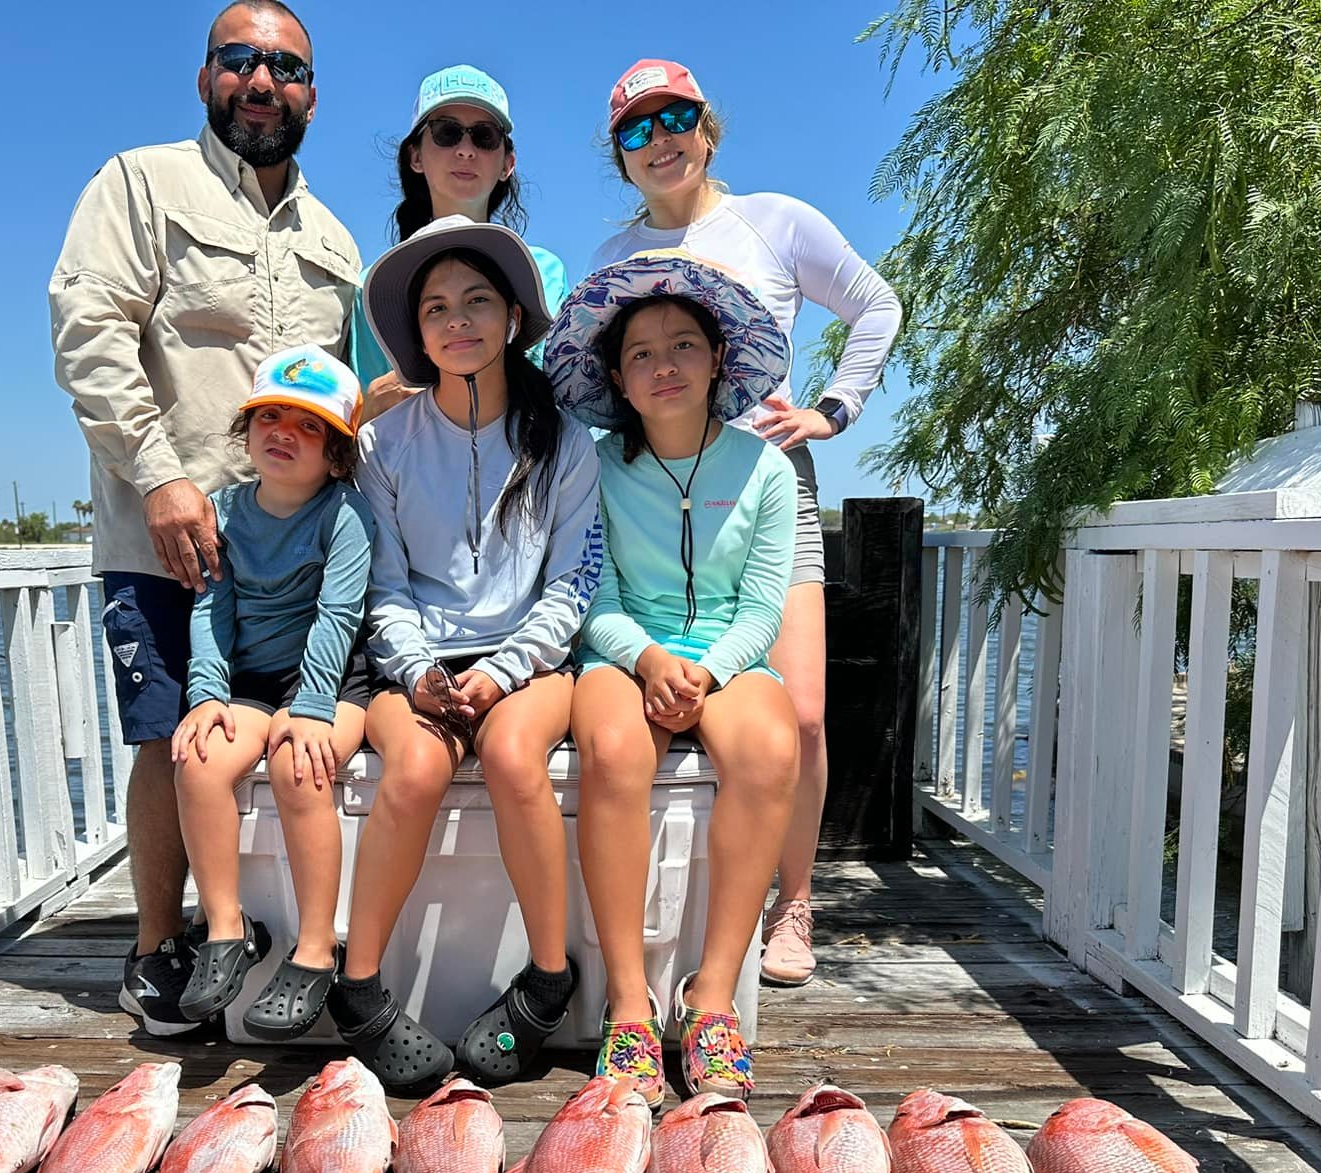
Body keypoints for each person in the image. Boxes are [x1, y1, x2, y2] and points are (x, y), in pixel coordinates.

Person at [48, 0, 360, 1031]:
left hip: (292, 552)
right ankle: (156, 945)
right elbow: (89, 334)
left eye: (286, 67)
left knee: (289, 733)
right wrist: (160, 477)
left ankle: (271, 927)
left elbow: (347, 399)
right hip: (165, 535)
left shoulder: (335, 240)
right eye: (239, 60)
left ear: (311, 94)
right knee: (167, 737)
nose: (262, 82)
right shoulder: (139, 183)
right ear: (205, 77)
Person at [592, 58, 903, 988]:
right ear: (619, 155)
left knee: (801, 713)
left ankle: (793, 900)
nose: (660, 141)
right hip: (653, 492)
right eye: (636, 130)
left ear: (708, 127)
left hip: (768, 484)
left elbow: (876, 304)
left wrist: (834, 410)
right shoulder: (615, 255)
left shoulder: (777, 219)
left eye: (676, 118)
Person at [332, 215, 604, 1091]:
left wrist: (501, 671)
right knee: (414, 769)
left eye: (478, 301)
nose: (458, 321)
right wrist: (418, 671)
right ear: (416, 334)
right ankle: (359, 988)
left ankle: (548, 979)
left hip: (529, 661)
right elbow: (384, 585)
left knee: (517, 756)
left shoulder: (563, 438)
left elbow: (572, 582)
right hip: (413, 662)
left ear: (514, 316)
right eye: (437, 308)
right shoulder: (382, 443)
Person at [543, 251, 800, 1105]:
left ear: (718, 359)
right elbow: (593, 600)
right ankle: (627, 1001)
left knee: (771, 748)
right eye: (642, 353)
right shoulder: (593, 465)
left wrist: (707, 669)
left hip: (729, 654)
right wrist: (649, 660)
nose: (665, 366)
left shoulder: (764, 468)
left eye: (684, 345)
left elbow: (761, 609)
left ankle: (712, 997)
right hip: (623, 651)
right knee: (615, 750)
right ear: (616, 377)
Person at [168, 346, 373, 1039]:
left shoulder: (344, 513)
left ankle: (316, 947)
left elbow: (338, 615)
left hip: (333, 680)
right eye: (270, 417)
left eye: (309, 426)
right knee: (199, 763)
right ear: (247, 431)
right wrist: (206, 696)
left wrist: (312, 707)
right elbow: (209, 609)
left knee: (299, 767)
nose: (284, 433)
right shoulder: (223, 511)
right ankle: (226, 929)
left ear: (337, 455)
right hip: (252, 681)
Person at [351, 66, 569, 424]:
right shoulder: (372, 287)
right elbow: (363, 418)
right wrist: (369, 410)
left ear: (508, 163)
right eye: (447, 133)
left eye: (484, 136)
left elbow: (563, 401)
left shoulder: (546, 273)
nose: (466, 150)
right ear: (415, 156)